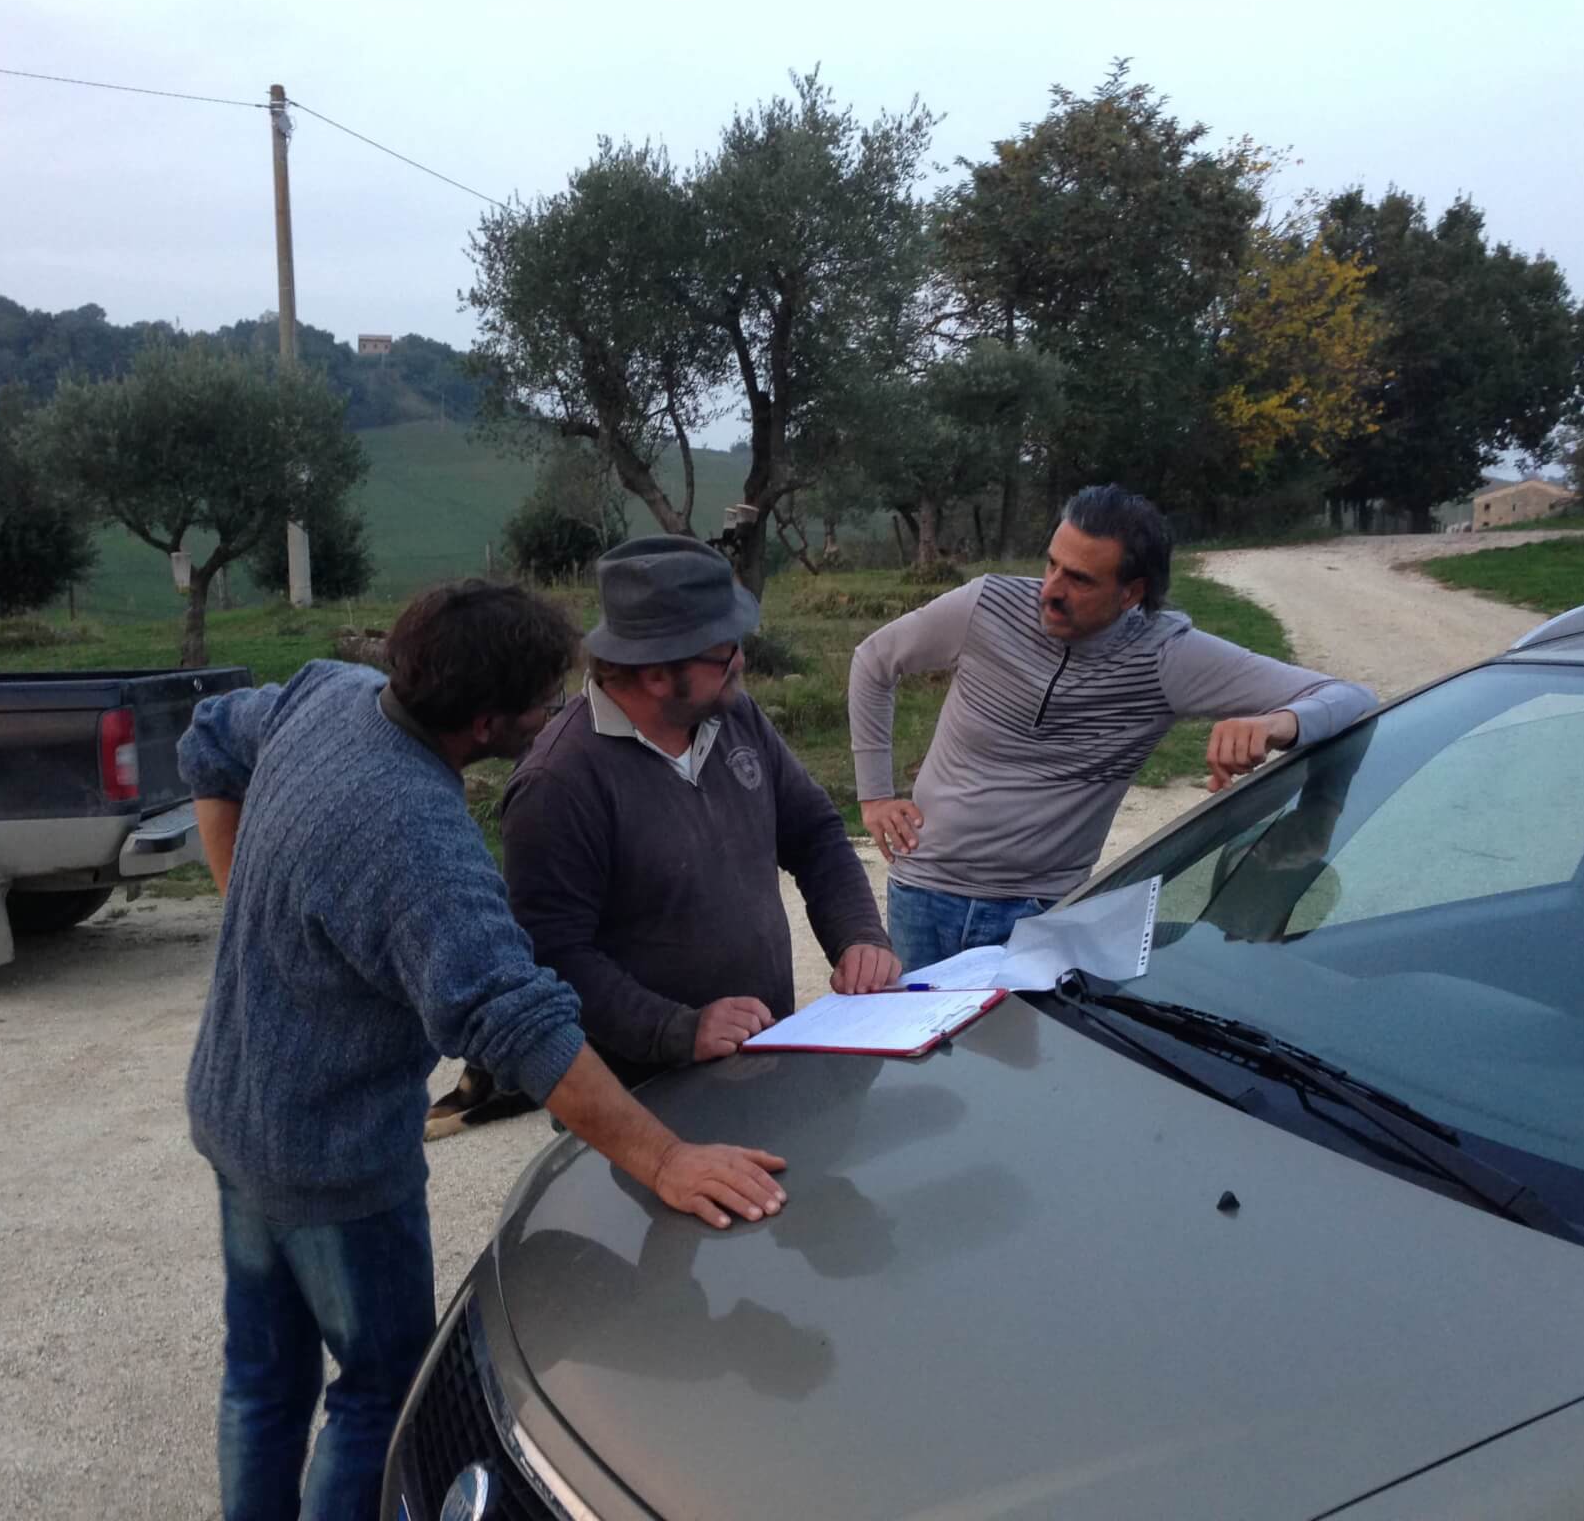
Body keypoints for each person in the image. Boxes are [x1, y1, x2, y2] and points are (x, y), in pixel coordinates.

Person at [179, 578, 789, 1521]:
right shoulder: (420, 839)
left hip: (230, 1114)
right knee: (380, 1392)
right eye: (545, 701)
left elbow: (210, 736)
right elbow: (521, 1022)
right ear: (485, 723)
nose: (559, 712)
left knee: (260, 1378)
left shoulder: (326, 693)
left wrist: (240, 905)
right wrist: (664, 1156)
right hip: (338, 1165)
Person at [849, 485, 1378, 971]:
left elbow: (1351, 699)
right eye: (1052, 565)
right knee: (921, 1069)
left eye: (1079, 579)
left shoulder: (1165, 657)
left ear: (1131, 594)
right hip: (920, 892)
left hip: (1035, 913)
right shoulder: (985, 606)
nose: (1050, 591)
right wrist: (873, 796)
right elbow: (874, 662)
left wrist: (1278, 724)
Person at [459, 535, 896, 1111]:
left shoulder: (732, 713)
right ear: (657, 674)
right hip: (648, 1101)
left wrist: (858, 935)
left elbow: (814, 833)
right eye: (724, 651)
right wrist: (676, 1029)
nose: (741, 660)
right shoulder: (559, 783)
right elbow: (553, 954)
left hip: (764, 1062)